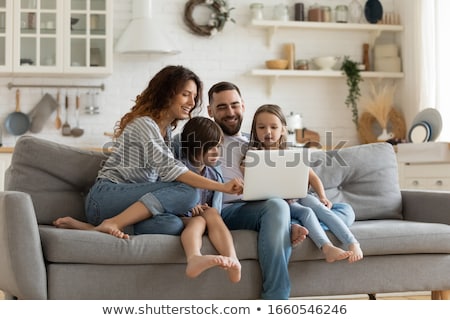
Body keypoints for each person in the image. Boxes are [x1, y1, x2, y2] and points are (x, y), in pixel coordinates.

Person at [53, 65, 243, 240]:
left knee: (172, 224)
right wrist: (223, 187)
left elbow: (190, 154)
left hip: (129, 205)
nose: (192, 102)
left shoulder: (167, 132)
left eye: (194, 96)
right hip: (106, 198)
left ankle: (94, 228)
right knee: (189, 192)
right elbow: (173, 171)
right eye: (186, 94)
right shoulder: (144, 124)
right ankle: (112, 223)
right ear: (167, 94)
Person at [206, 81, 306, 300]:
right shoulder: (202, 140)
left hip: (259, 206)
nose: (230, 112)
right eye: (222, 107)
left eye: (234, 105)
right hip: (225, 210)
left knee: (286, 206)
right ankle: (276, 301)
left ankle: (288, 224)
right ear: (210, 111)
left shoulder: (254, 143)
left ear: (243, 105)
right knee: (277, 207)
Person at [248, 104, 363, 263]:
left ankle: (352, 242)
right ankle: (326, 247)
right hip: (279, 203)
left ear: (283, 129)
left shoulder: (291, 154)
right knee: (306, 213)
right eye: (261, 127)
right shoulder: (253, 156)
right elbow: (251, 183)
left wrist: (323, 196)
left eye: (273, 127)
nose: (267, 132)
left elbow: (313, 178)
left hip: (299, 195)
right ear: (255, 130)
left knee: (317, 206)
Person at [177, 116, 241, 282]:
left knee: (211, 213)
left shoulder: (213, 172)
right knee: (199, 221)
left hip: (207, 216)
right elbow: (169, 197)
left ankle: (233, 259)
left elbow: (216, 203)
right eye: (210, 147)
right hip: (183, 216)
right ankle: (194, 257)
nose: (216, 152)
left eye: (218, 146)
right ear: (192, 147)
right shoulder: (179, 168)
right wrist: (189, 207)